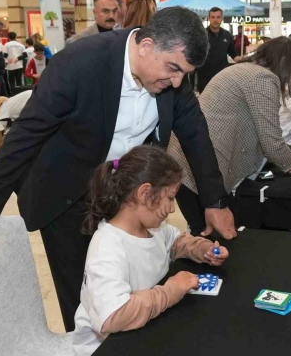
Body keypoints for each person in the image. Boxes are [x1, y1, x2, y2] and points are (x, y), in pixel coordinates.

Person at [0, 7, 237, 332]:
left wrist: (215, 202)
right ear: (146, 46)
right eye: (173, 69)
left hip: (122, 194)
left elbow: (197, 136)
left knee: (132, 285)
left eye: (185, 73)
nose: (177, 81)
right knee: (85, 308)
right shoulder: (81, 63)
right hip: (65, 193)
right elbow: (27, 134)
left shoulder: (172, 80)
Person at [73, 145, 230, 356]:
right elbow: (113, 316)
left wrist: (205, 249)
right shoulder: (107, 249)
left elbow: (176, 243)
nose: (173, 208)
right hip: (107, 346)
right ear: (145, 193)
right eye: (170, 197)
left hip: (145, 331)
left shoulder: (153, 228)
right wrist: (170, 292)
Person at [168, 37, 291, 234]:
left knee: (204, 235)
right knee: (211, 239)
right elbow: (272, 142)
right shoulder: (263, 78)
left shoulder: (242, 69)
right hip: (197, 170)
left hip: (187, 163)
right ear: (284, 63)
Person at [194, 7, 240, 93]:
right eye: (213, 17)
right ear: (209, 18)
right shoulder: (201, 35)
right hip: (205, 79)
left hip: (222, 77)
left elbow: (233, 53)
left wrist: (241, 60)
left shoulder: (227, 35)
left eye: (218, 17)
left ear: (222, 18)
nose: (215, 20)